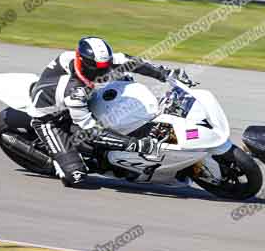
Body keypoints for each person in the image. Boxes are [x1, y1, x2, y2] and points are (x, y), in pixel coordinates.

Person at [27, 36, 194, 187]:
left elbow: (136, 63)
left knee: (125, 78)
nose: (104, 71)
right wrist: (134, 144)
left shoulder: (96, 62)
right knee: (76, 177)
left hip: (82, 96)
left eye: (105, 66)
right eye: (98, 68)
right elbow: (91, 131)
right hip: (51, 118)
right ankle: (59, 160)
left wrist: (169, 74)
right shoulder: (73, 91)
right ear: (84, 62)